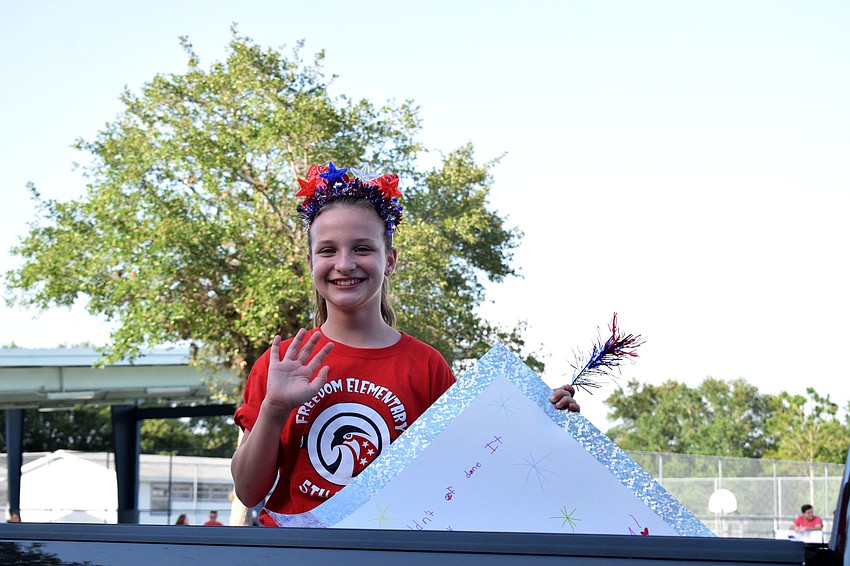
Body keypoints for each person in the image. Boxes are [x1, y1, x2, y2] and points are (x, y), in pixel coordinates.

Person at [231, 162, 580, 526]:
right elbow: (249, 491)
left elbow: (472, 470)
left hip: (396, 554)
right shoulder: (281, 362)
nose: (345, 264)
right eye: (328, 250)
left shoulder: (427, 366)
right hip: (296, 556)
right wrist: (273, 409)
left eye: (363, 248)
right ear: (310, 262)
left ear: (390, 261)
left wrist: (540, 423)